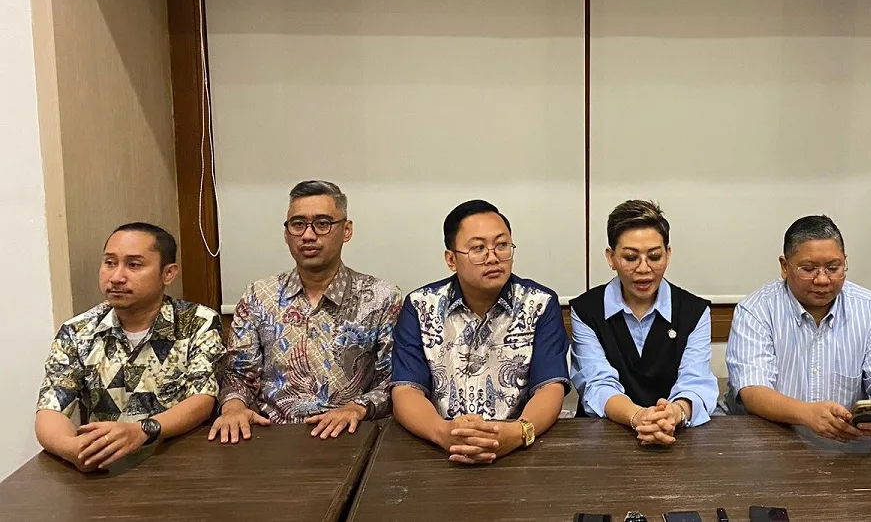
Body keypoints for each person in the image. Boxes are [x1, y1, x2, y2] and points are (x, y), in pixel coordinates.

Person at [210, 180, 402, 444]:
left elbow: (393, 379)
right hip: (272, 437)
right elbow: (238, 373)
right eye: (298, 224)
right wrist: (233, 407)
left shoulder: (381, 297)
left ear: (346, 230)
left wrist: (356, 408)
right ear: (286, 233)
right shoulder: (259, 295)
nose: (308, 236)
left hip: (351, 435)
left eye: (322, 224)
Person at [391, 199, 569, 465]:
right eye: (478, 248)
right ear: (451, 259)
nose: (493, 257)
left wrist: (518, 433)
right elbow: (406, 391)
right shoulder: (420, 305)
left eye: (502, 245)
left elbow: (550, 387)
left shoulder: (540, 303)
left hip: (520, 450)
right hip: (438, 450)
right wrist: (442, 433)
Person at [35, 223, 225, 471]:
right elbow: (51, 408)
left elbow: (202, 400)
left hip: (182, 464)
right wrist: (73, 449)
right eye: (110, 263)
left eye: (134, 265)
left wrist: (142, 430)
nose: (116, 277)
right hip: (107, 467)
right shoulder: (77, 331)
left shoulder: (198, 322)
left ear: (168, 273)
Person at [726, 215, 871, 442]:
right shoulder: (756, 310)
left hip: (847, 442)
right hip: (770, 439)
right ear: (784, 267)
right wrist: (806, 414)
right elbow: (752, 390)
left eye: (833, 268)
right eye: (809, 269)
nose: (822, 280)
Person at [569, 200, 718, 446]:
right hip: (605, 439)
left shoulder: (694, 311)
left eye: (654, 256)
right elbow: (597, 384)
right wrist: (639, 416)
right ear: (611, 258)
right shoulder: (587, 311)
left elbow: (695, 382)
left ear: (668, 255)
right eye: (630, 257)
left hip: (675, 436)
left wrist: (674, 414)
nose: (644, 268)